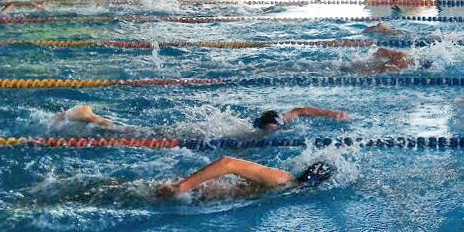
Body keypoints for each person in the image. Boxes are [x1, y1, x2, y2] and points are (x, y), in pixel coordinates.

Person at [53, 104, 348, 133]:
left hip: (206, 130)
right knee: (136, 132)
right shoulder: (245, 134)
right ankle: (90, 117)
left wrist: (333, 114)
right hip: (197, 134)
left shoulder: (279, 122)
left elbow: (300, 110)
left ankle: (91, 118)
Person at [155, 156, 334, 198]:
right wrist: (183, 187)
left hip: (207, 195)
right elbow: (228, 163)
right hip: (196, 192)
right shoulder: (281, 179)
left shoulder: (291, 187)